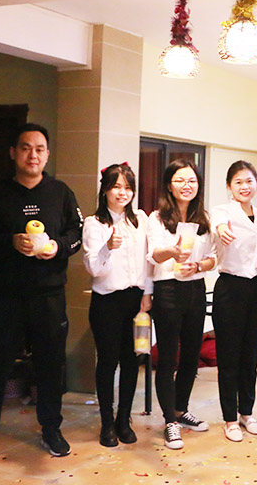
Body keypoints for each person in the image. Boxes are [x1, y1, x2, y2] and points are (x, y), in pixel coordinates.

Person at [0, 123, 82, 464]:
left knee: (50, 366)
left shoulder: (60, 193)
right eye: (26, 148)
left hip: (49, 295)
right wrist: (10, 242)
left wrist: (57, 247)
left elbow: (76, 233)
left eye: (39, 149)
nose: (33, 155)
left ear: (47, 155)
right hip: (6, 296)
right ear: (13, 153)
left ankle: (51, 429)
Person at [147, 159, 217, 450]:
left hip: (195, 289)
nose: (187, 185)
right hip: (167, 290)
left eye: (192, 180)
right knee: (168, 359)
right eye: (180, 180)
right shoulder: (157, 218)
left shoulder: (204, 218)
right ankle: (169, 421)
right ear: (169, 185)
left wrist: (198, 265)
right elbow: (152, 255)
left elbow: (213, 258)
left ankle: (180, 409)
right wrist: (172, 252)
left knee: (191, 355)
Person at [82, 163, 153, 447]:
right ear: (105, 191)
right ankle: (106, 422)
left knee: (131, 360)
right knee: (108, 361)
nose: (122, 193)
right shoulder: (94, 223)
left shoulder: (141, 220)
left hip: (136, 300)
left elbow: (149, 261)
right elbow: (93, 268)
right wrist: (107, 247)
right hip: (107, 301)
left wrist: (148, 293)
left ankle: (124, 419)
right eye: (116, 187)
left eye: (127, 187)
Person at [211, 161, 257, 443]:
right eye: (238, 182)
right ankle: (230, 418)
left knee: (251, 356)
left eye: (249, 181)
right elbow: (218, 224)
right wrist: (222, 228)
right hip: (230, 287)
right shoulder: (223, 212)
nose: (244, 187)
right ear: (229, 187)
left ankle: (246, 411)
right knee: (229, 356)